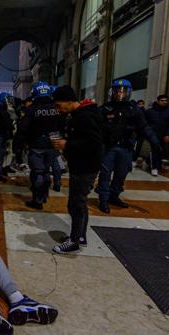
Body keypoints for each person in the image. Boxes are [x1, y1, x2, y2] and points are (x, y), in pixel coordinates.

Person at [50, 86, 102, 253]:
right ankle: (80, 236)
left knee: (76, 204)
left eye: (59, 105)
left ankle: (74, 241)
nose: (58, 109)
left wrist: (67, 144)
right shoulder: (77, 116)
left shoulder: (86, 117)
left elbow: (94, 144)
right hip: (81, 164)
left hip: (85, 167)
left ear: (69, 101)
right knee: (79, 203)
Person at [96, 79, 160, 214]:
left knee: (121, 174)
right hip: (108, 147)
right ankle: (103, 199)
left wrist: (154, 141)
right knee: (105, 174)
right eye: (118, 91)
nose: (120, 94)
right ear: (112, 92)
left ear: (128, 93)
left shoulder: (133, 109)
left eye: (123, 91)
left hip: (126, 148)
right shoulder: (105, 109)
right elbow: (95, 128)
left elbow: (144, 127)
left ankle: (114, 196)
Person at [15, 81, 63, 210]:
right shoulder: (56, 109)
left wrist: (18, 148)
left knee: (37, 173)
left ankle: (38, 200)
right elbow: (62, 126)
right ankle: (44, 194)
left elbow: (22, 130)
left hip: (36, 146)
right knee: (46, 171)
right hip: (52, 145)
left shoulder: (31, 110)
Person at [145, 95, 169, 176]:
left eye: (166, 100)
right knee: (155, 148)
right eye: (162, 100)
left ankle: (150, 161)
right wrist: (147, 133)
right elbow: (145, 123)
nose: (164, 102)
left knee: (160, 150)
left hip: (164, 134)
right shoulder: (150, 111)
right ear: (158, 101)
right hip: (152, 134)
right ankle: (154, 168)